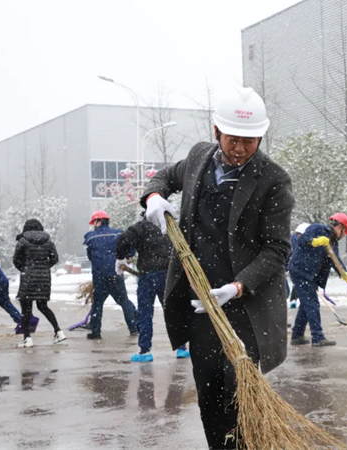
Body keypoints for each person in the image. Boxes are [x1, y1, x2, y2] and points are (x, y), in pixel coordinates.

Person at [141, 86, 294, 448]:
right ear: (216, 132)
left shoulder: (273, 180)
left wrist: (238, 287)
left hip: (245, 307)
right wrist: (154, 197)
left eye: (249, 141)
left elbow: (277, 249)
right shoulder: (198, 159)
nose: (239, 149)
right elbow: (164, 175)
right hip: (200, 301)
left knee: (237, 393)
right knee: (209, 390)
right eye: (232, 139)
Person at [115, 213, 189, 362]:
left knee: (145, 313)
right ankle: (181, 348)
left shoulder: (141, 227)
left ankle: (144, 351)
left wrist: (120, 257)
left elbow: (123, 240)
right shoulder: (169, 226)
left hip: (148, 275)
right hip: (169, 275)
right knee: (172, 311)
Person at [288, 214, 347, 348]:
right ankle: (317, 337)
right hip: (300, 270)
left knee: (307, 305)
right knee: (312, 304)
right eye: (344, 232)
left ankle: (297, 335)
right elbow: (302, 239)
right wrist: (315, 241)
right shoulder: (318, 228)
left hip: (311, 275)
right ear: (340, 227)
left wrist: (344, 273)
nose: (343, 235)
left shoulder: (333, 242)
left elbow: (336, 260)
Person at [84, 210, 138, 340]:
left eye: (94, 222)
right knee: (124, 302)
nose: (93, 225)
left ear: (98, 222)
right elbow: (131, 249)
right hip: (116, 274)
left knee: (97, 304)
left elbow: (90, 256)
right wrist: (126, 256)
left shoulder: (90, 237)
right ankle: (133, 328)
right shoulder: (119, 233)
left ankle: (96, 333)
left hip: (99, 275)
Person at [12, 219, 66, 348]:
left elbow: (16, 260)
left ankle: (27, 338)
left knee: (26, 309)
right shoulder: (48, 241)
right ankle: (58, 331)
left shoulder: (23, 241)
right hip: (44, 278)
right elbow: (55, 258)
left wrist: (25, 268)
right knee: (43, 306)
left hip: (28, 278)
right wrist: (43, 268)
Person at [288, 223, 310, 309]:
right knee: (297, 283)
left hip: (296, 266)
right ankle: (295, 300)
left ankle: (296, 300)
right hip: (292, 266)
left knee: (298, 284)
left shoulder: (299, 242)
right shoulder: (294, 243)